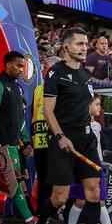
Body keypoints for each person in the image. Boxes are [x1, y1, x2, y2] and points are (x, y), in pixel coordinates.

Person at [31, 27, 108, 224]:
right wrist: (59, 136)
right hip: (63, 140)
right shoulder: (56, 73)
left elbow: (84, 108)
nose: (85, 48)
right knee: (60, 198)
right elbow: (47, 110)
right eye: (79, 44)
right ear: (66, 47)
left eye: (86, 44)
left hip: (86, 140)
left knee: (94, 192)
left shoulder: (86, 73)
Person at [0, 51, 38, 224]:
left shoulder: (18, 88)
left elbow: (20, 119)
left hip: (13, 143)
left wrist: (26, 142)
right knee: (14, 180)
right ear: (8, 64)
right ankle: (29, 218)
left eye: (23, 66)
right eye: (19, 66)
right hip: (2, 143)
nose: (21, 70)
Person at [61, 94, 112, 224]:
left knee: (100, 200)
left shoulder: (96, 125)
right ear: (87, 105)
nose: (100, 107)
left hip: (96, 166)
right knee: (81, 200)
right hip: (84, 167)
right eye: (97, 104)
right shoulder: (79, 125)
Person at [32, 56, 61, 215]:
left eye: (45, 67)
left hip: (55, 141)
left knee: (57, 179)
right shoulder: (37, 89)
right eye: (43, 67)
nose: (42, 71)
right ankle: (42, 214)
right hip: (40, 142)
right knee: (43, 179)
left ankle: (59, 211)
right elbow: (33, 116)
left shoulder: (61, 89)